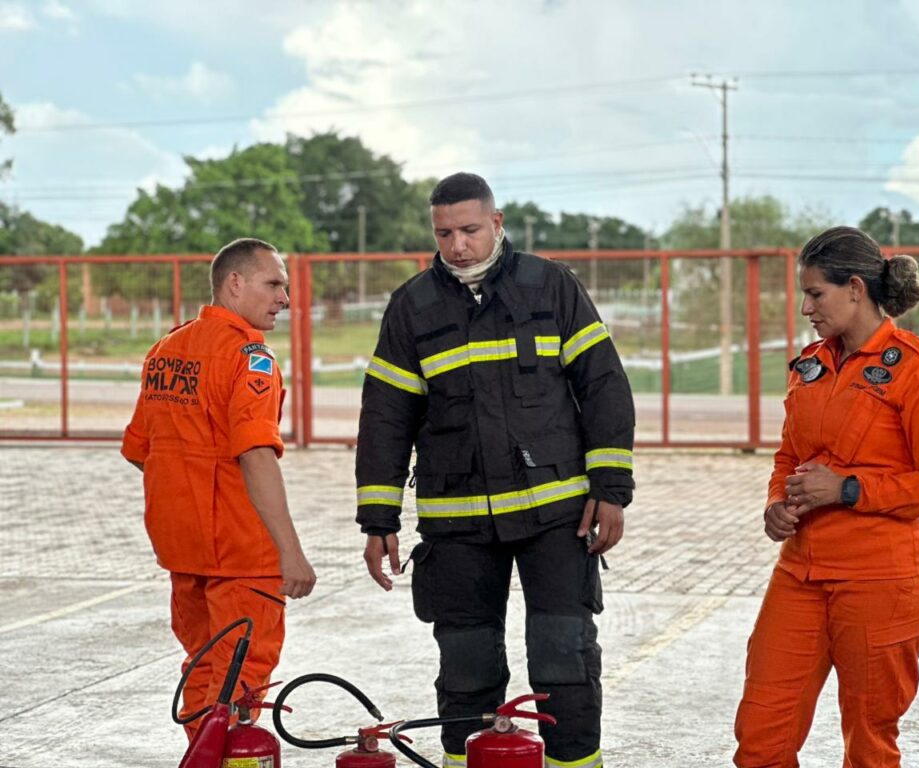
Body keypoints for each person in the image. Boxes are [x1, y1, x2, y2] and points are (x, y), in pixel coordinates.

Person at [355, 172, 634, 768]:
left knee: (565, 656)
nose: (457, 245)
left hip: (557, 515)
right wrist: (378, 519)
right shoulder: (412, 307)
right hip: (456, 524)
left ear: (497, 222)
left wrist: (611, 490)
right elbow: (385, 418)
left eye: (470, 230)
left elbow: (605, 388)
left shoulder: (551, 285)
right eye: (445, 233)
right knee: (466, 665)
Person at [733, 226, 919, 767]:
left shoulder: (917, 370)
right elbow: (789, 455)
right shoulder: (810, 366)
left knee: (868, 743)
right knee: (760, 737)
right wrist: (777, 502)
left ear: (856, 289)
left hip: (879, 584)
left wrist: (846, 489)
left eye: (815, 294)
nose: (805, 307)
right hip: (799, 576)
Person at [121, 237, 316, 740]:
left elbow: (142, 451)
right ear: (235, 283)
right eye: (273, 284)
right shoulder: (249, 358)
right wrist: (289, 552)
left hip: (183, 552)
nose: (284, 298)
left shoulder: (166, 350)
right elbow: (254, 454)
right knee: (238, 688)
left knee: (203, 672)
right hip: (239, 555)